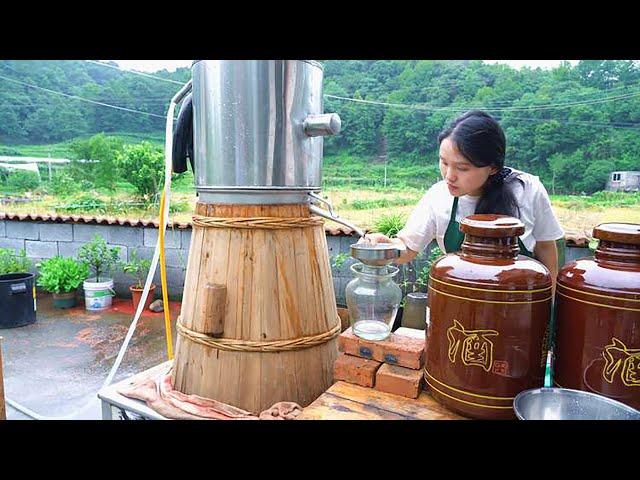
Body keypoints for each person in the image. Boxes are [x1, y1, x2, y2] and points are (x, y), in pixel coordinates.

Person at [362, 110, 565, 287]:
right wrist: (386, 246)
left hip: (518, 305)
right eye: (443, 162)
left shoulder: (528, 190)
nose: (449, 176)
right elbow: (407, 248)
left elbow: (546, 248)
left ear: (492, 167)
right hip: (463, 300)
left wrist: (550, 305)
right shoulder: (438, 196)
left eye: (462, 168)